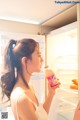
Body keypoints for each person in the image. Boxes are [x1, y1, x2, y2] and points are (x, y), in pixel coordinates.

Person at [1, 38, 60, 120]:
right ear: (25, 61)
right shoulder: (21, 98)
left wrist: (51, 93)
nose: (42, 60)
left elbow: (41, 116)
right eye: (38, 55)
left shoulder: (29, 86)